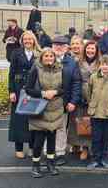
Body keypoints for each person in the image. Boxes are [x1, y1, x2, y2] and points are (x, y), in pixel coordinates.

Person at [25, 48, 65, 178]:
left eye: (51, 56)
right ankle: (35, 166)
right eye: (46, 56)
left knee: (52, 138)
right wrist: (43, 93)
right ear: (42, 58)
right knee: (39, 140)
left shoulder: (60, 69)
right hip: (40, 109)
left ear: (54, 58)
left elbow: (65, 88)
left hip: (55, 108)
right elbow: (28, 89)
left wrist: (56, 92)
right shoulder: (36, 69)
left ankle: (50, 163)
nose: (49, 58)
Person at [8, 31, 41, 159]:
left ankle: (32, 147)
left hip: (33, 90)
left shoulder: (39, 53)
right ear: (22, 40)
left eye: (30, 39)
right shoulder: (16, 53)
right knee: (18, 120)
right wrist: (11, 91)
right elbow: (11, 73)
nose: (28, 41)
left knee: (33, 119)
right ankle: (19, 148)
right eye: (25, 39)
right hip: (18, 89)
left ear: (34, 40)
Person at [51, 36, 82, 166]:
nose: (59, 47)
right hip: (47, 102)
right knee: (47, 128)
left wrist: (73, 102)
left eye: (62, 45)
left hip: (64, 102)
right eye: (56, 45)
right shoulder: (45, 58)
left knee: (61, 128)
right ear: (52, 46)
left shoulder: (72, 62)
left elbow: (76, 83)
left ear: (66, 48)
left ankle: (59, 153)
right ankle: (48, 153)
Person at [86, 55, 108, 170]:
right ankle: (95, 159)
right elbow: (88, 93)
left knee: (105, 137)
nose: (105, 66)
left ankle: (104, 158)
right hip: (95, 112)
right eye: (103, 64)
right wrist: (91, 104)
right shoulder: (93, 77)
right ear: (99, 65)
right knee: (96, 138)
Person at [68, 40, 100, 161]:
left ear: (96, 51)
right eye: (88, 48)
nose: (90, 51)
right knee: (76, 120)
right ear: (84, 49)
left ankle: (86, 148)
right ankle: (75, 144)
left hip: (93, 95)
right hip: (79, 94)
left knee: (88, 123)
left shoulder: (100, 63)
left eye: (93, 49)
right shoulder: (77, 62)